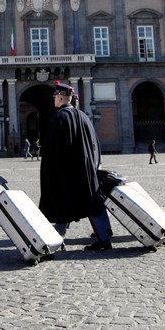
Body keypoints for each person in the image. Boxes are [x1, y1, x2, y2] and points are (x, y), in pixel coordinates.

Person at [39, 81, 112, 251]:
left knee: (64, 203)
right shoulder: (84, 116)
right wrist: (95, 166)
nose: (53, 100)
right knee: (93, 204)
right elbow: (94, 144)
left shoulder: (58, 119)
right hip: (87, 170)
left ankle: (54, 240)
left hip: (67, 172)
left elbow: (52, 151)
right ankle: (104, 238)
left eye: (55, 97)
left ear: (60, 97)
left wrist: (50, 173)